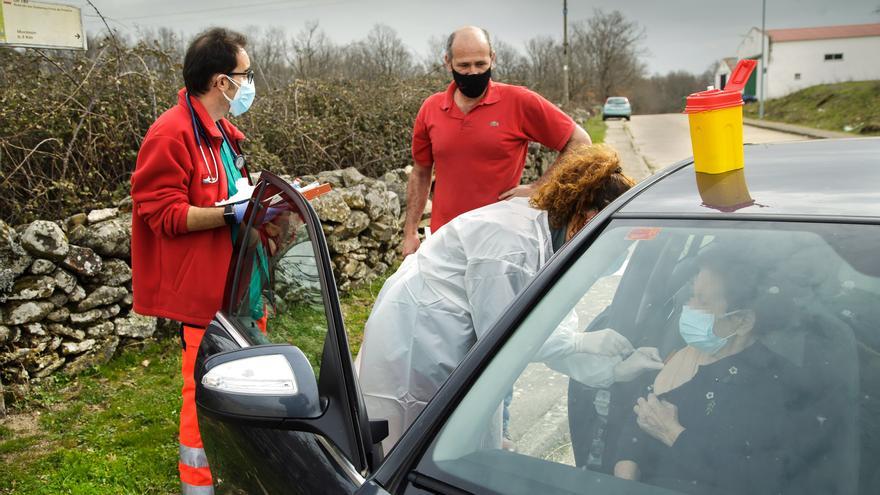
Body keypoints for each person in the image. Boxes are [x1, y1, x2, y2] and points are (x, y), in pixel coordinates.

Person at [358, 144, 663, 450]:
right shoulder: (512, 248)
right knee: (411, 440)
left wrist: (615, 371)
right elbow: (505, 337)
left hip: (458, 344)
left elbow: (554, 331)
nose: (614, 253)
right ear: (585, 217)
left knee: (457, 442)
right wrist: (582, 341)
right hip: (419, 340)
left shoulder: (554, 242)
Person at [130, 27, 258, 494]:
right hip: (202, 295)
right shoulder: (170, 132)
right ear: (222, 81)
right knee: (201, 392)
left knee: (240, 384)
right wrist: (231, 212)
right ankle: (199, 486)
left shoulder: (223, 131)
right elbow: (161, 214)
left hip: (236, 285)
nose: (250, 83)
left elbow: (226, 188)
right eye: (246, 75)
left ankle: (236, 471)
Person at [612, 247, 803, 494]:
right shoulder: (681, 354)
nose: (688, 306)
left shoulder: (777, 388)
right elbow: (637, 422)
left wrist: (673, 434)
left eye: (702, 301)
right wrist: (623, 484)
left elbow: (757, 479)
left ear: (743, 321)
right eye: (692, 295)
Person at [402, 25, 592, 256]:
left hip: (502, 243)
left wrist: (539, 187)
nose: (473, 72)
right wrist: (410, 231)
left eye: (480, 64)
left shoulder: (518, 101)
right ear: (448, 62)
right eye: (464, 65)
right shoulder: (431, 108)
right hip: (446, 240)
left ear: (492, 59)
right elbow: (421, 171)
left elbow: (580, 141)